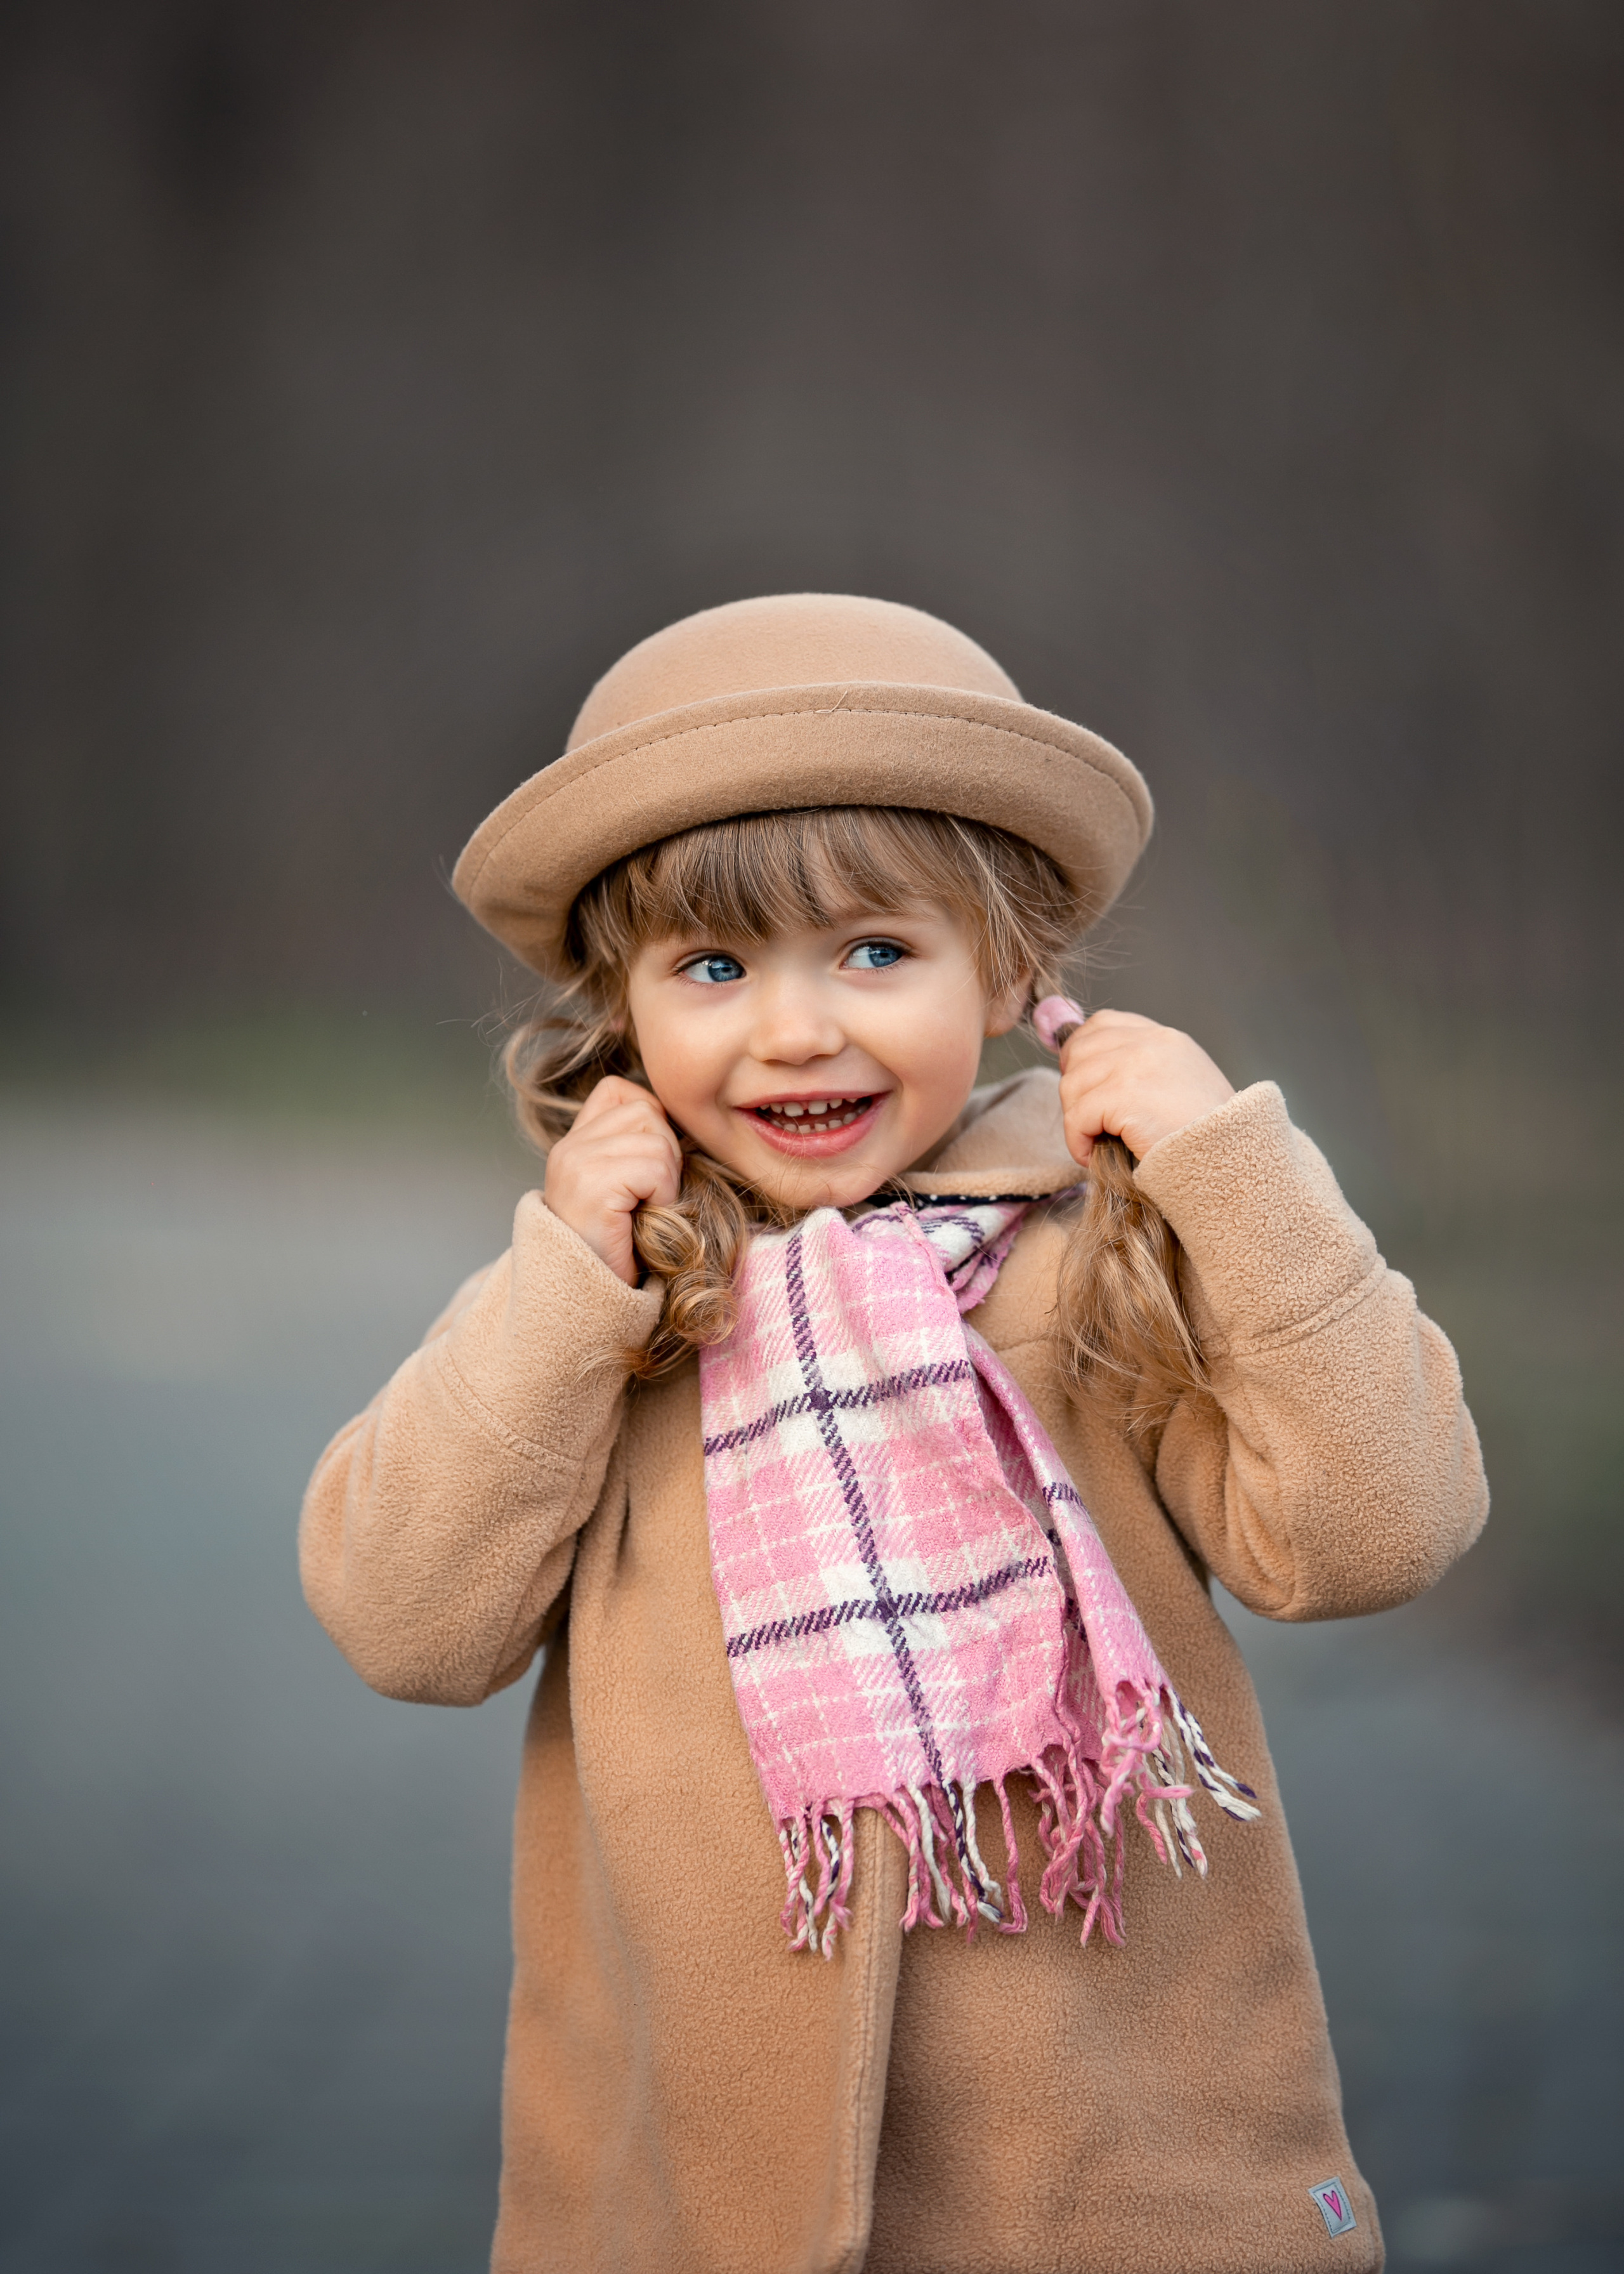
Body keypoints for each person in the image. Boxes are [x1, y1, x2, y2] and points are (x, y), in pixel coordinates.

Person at [299, 593, 1487, 2274]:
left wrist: (1239, 1183)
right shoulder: (605, 1318)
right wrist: (566, 1282)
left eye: (876, 951)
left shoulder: (1105, 1259)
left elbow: (1383, 1528)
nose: (796, 1029)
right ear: (626, 1015)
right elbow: (405, 1619)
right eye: (713, 968)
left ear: (1010, 968)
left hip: (1125, 2202)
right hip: (689, 2217)